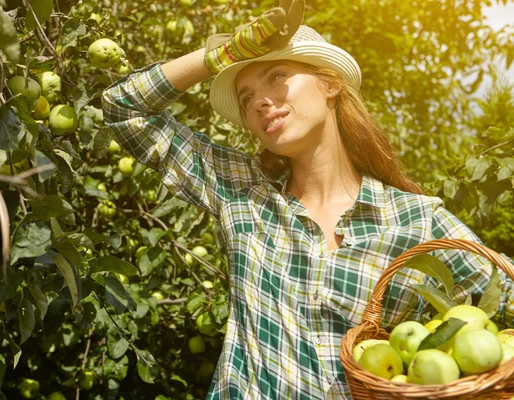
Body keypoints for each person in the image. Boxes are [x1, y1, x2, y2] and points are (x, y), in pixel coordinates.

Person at [102, 2, 514, 398]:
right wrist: (223, 54)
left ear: (330, 83)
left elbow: (506, 292)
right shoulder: (243, 193)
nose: (260, 100)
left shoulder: (416, 222)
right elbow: (123, 108)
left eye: (277, 75)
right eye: (247, 99)